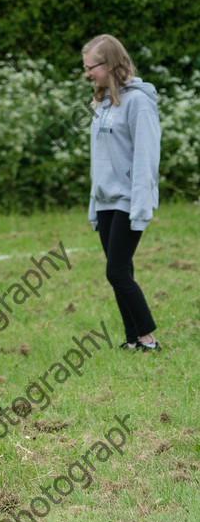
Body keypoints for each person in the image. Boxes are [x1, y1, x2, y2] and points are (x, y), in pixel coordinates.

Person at [83, 34, 161, 352]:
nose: (87, 74)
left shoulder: (140, 102)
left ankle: (148, 338)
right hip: (105, 200)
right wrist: (93, 203)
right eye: (85, 67)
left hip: (130, 199)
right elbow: (99, 159)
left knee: (116, 271)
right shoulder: (103, 101)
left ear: (111, 64)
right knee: (121, 271)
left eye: (92, 67)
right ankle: (133, 339)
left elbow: (146, 157)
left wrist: (141, 206)